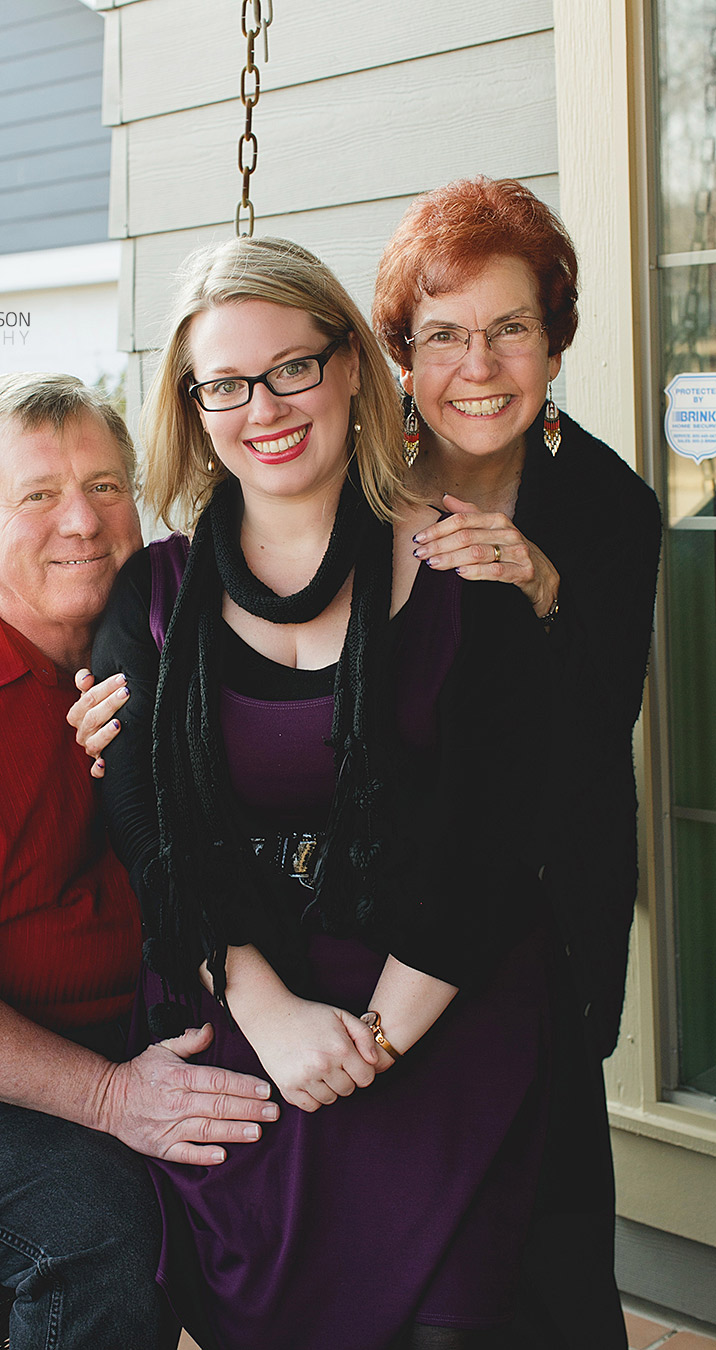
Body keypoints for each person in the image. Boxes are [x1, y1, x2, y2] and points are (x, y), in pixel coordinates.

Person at [89, 235, 556, 1350]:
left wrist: (370, 1045)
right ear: (195, 408)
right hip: (251, 995)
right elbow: (154, 830)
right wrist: (274, 1019)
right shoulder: (151, 601)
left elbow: (490, 840)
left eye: (293, 366)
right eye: (227, 384)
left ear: (352, 366)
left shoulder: (463, 571)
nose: (265, 406)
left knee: (452, 1323)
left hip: (440, 999)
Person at [0, 373, 281, 1350]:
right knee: (109, 1228)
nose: (84, 519)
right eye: (38, 494)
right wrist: (113, 1100)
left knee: (322, 1148)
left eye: (108, 486)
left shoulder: (160, 644)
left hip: (131, 1021)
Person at [372, 176, 662, 1349]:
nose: (477, 366)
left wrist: (546, 591)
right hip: (370, 925)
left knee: (545, 1273)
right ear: (400, 353)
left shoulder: (608, 506)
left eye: (510, 329)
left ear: (555, 341)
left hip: (533, 924)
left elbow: (594, 740)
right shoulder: (350, 485)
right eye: (443, 335)